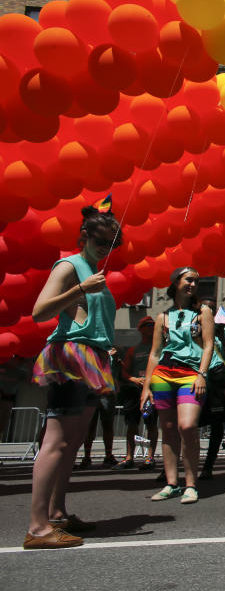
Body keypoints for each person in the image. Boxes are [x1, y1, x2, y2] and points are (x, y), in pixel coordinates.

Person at [25, 202, 121, 549]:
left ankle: (57, 514)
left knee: (73, 442)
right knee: (57, 441)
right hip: (70, 357)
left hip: (94, 359)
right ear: (85, 238)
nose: (106, 250)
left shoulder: (93, 269)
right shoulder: (70, 266)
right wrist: (81, 289)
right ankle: (37, 527)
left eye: (113, 245)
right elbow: (39, 312)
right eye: (101, 242)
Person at [140, 267, 215, 503]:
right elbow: (154, 353)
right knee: (169, 428)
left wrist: (202, 374)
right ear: (176, 283)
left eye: (196, 281)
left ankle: (191, 484)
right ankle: (172, 483)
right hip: (163, 375)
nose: (193, 284)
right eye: (189, 280)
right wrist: (146, 387)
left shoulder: (203, 312)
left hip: (190, 374)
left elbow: (209, 345)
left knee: (188, 425)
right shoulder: (163, 317)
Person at [198, 297, 225, 480]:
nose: (210, 311)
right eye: (206, 307)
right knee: (186, 424)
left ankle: (208, 466)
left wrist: (221, 336)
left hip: (217, 379)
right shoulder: (193, 326)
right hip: (196, 377)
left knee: (217, 424)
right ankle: (172, 466)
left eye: (213, 309)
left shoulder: (223, 330)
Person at [116, 317, 159, 469]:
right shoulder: (134, 350)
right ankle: (129, 457)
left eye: (153, 325)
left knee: (151, 424)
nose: (151, 328)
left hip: (152, 391)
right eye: (148, 325)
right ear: (141, 329)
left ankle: (150, 457)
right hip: (134, 392)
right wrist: (134, 379)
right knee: (132, 425)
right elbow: (125, 372)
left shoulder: (158, 348)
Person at [77, 347, 120, 469]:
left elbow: (116, 370)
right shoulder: (89, 351)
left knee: (107, 425)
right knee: (90, 426)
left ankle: (108, 455)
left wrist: (116, 358)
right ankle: (87, 456)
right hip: (92, 390)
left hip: (107, 392)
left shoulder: (111, 353)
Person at [0, 356, 29, 443]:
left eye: (21, 360)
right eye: (17, 359)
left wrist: (30, 365)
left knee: (4, 420)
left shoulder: (21, 372)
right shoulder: (2, 366)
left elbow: (29, 380)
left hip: (8, 398)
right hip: (2, 395)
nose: (19, 362)